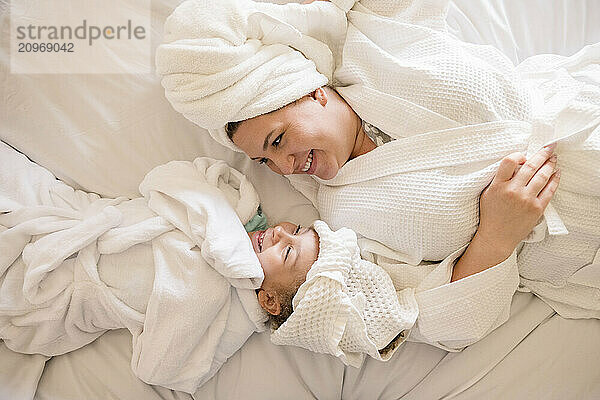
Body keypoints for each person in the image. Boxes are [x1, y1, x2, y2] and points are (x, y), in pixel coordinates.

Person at [157, 0, 600, 321]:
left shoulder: (373, 44)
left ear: (313, 91)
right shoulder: (343, 223)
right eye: (266, 162)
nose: (286, 166)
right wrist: (497, 235)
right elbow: (439, 316)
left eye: (278, 140)